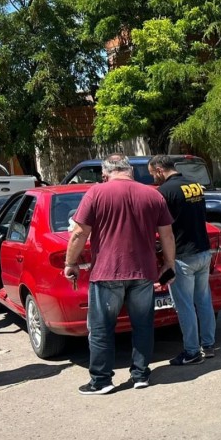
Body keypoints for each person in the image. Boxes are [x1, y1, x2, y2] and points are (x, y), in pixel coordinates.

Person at [65, 154, 176, 395]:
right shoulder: (152, 195)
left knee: (102, 328)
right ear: (131, 172)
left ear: (105, 174)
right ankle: (141, 375)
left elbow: (78, 234)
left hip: (107, 273)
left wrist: (70, 263)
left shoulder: (96, 193)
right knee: (143, 325)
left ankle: (101, 381)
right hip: (143, 272)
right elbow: (167, 235)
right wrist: (169, 264)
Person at [149, 155, 215, 365]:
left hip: (182, 256)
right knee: (203, 301)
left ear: (160, 169)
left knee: (184, 305)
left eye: (153, 174)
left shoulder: (165, 192)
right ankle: (209, 344)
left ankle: (192, 351)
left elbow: (162, 227)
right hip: (203, 250)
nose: (153, 179)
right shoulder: (194, 185)